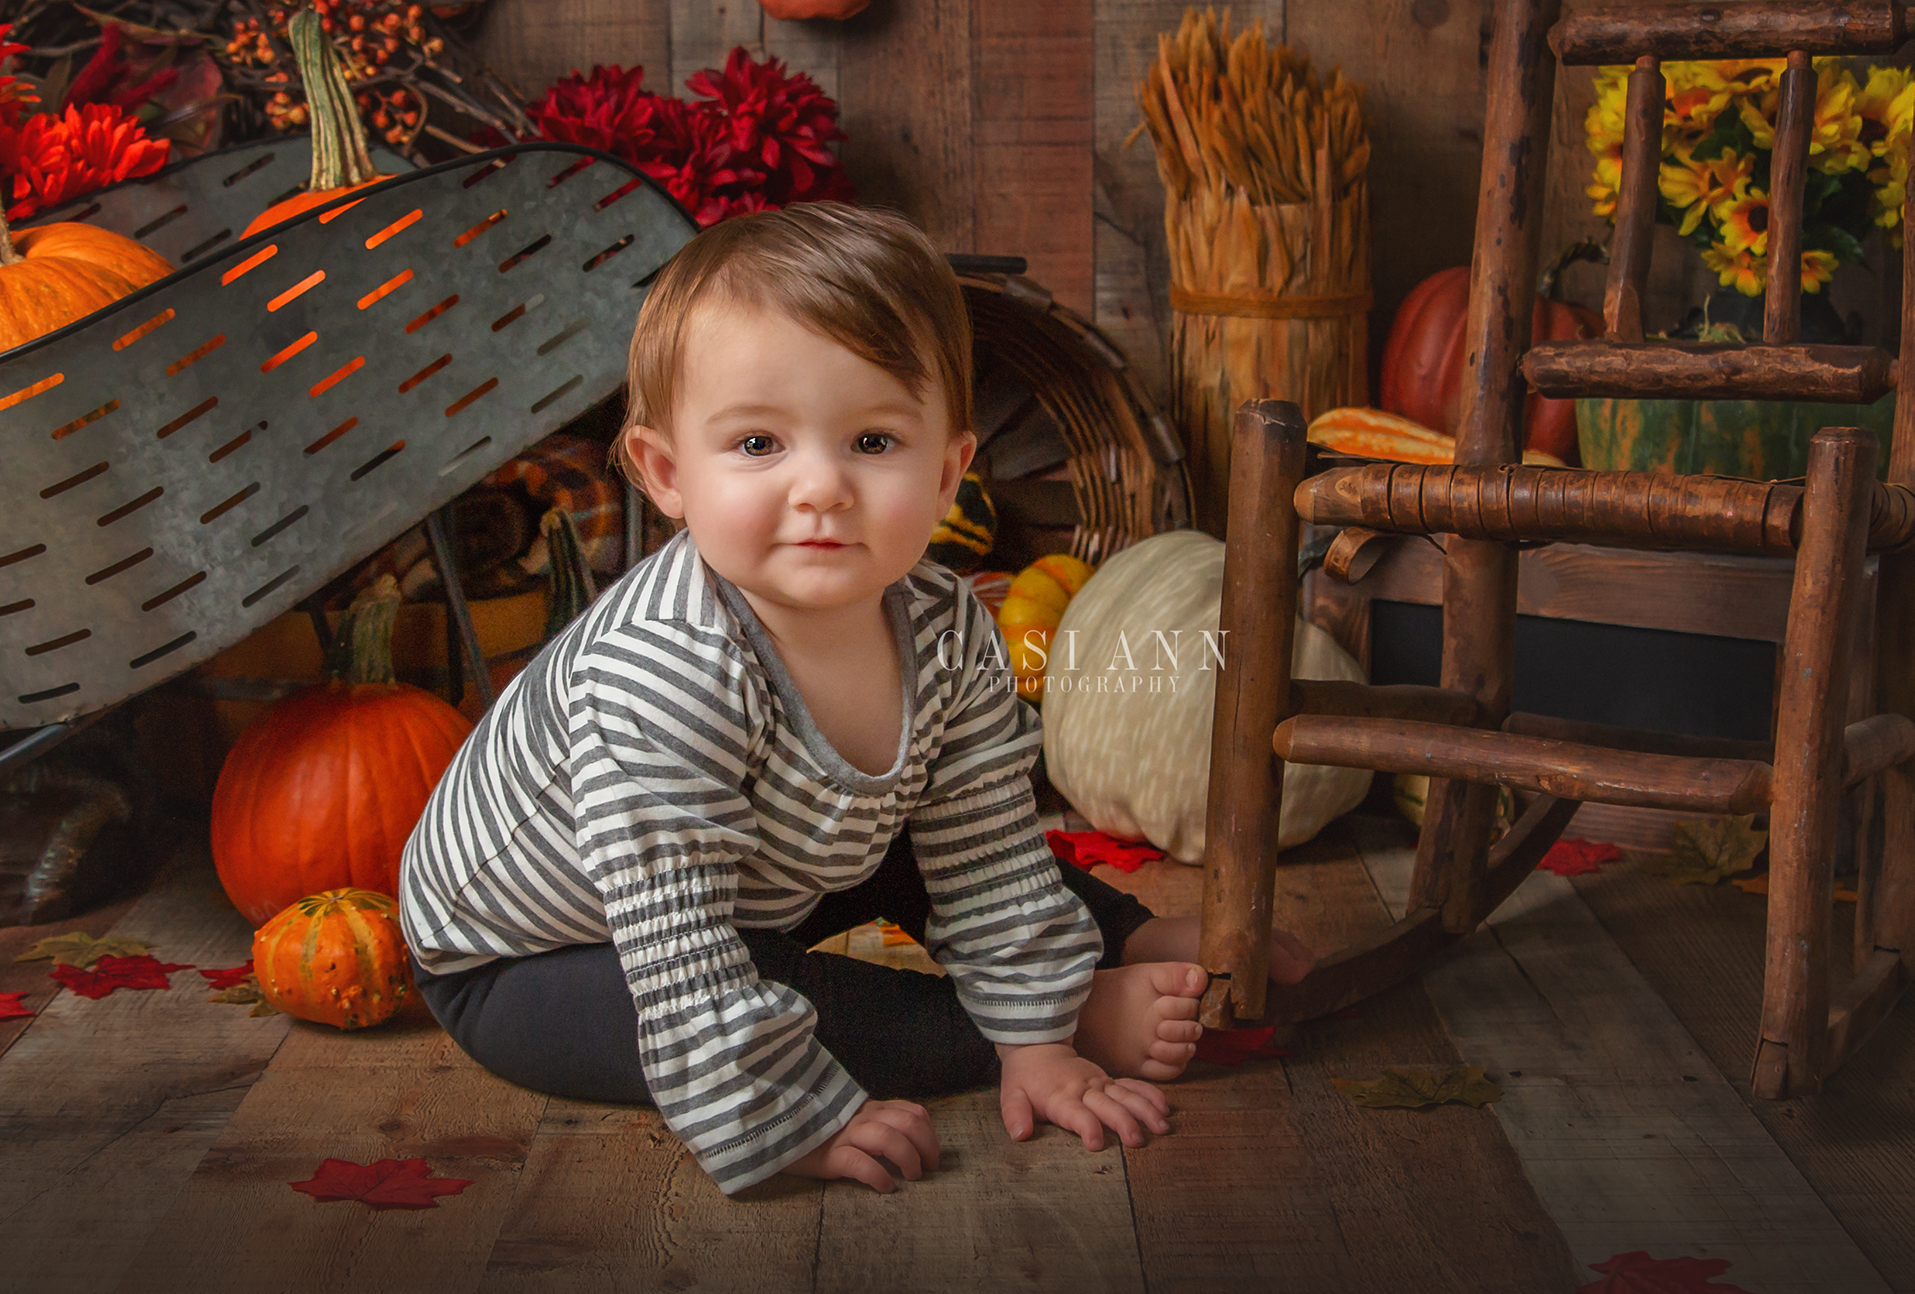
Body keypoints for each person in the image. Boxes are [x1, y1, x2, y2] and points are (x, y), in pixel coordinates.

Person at [396, 203, 1315, 1198]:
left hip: (765, 870)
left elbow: (986, 845)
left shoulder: (944, 625)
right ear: (666, 474)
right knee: (781, 996)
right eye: (756, 445)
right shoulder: (662, 676)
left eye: (873, 441)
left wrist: (1033, 1041)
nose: (822, 487)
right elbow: (685, 956)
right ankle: (1031, 1020)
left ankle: (1112, 939)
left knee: (939, 843)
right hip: (547, 954)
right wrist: (788, 1121)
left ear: (948, 471)